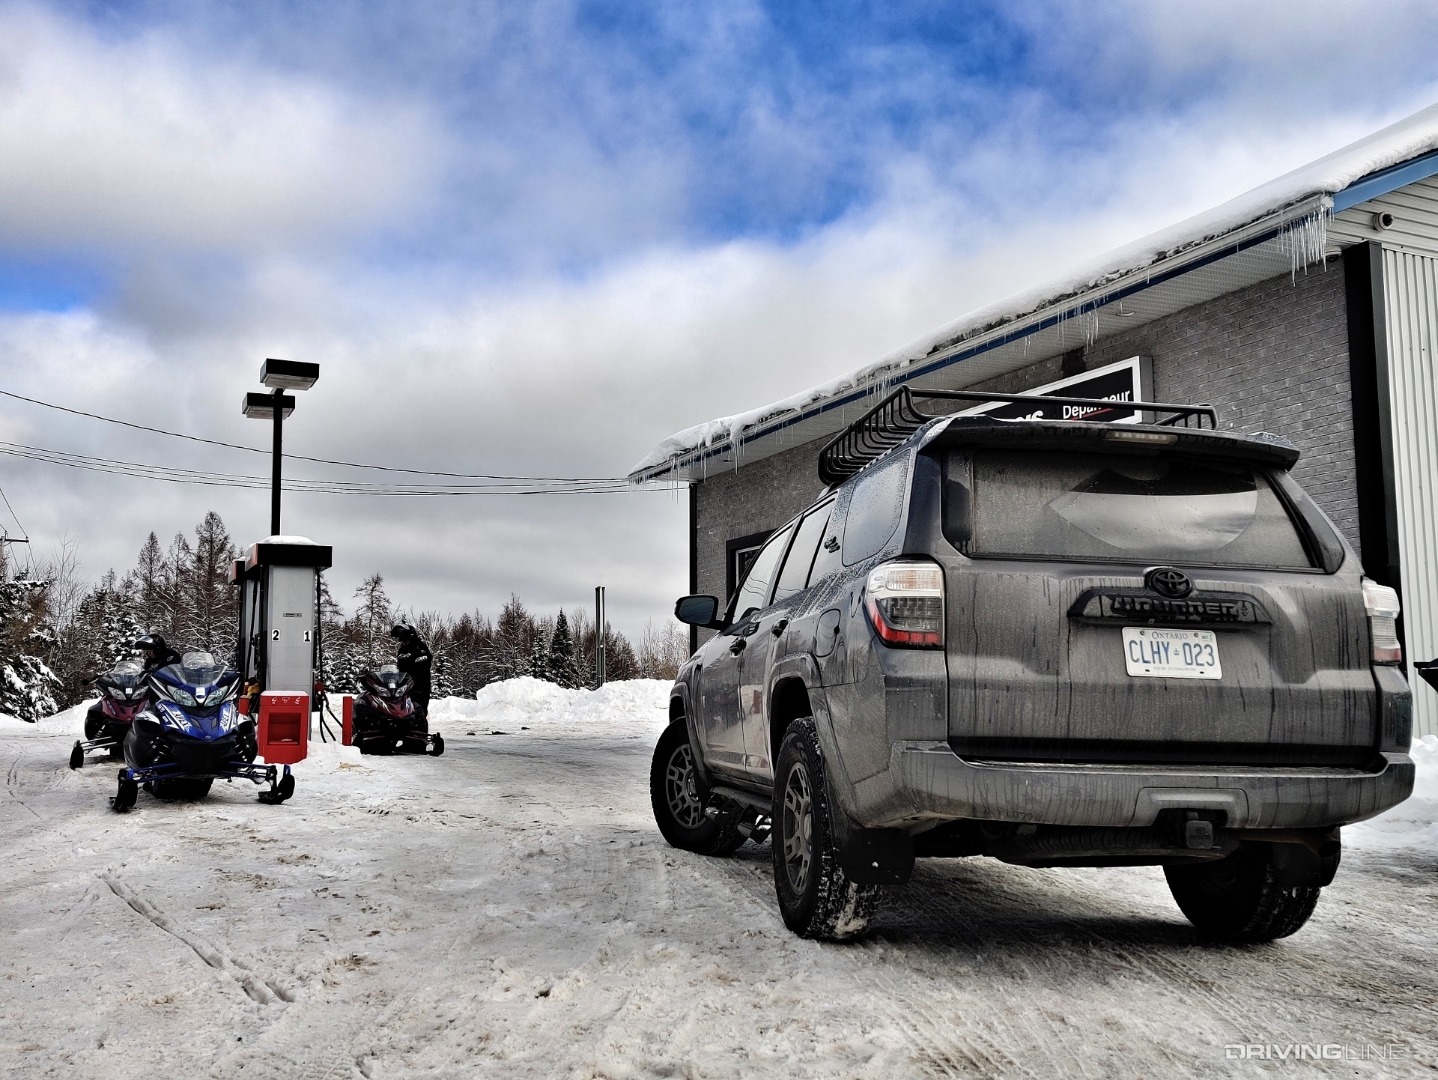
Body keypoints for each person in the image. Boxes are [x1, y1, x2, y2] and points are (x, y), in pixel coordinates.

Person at [391, 623, 432, 721]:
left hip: (420, 685)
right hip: (404, 686)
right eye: (400, 638)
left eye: (403, 638)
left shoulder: (420, 647)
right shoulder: (402, 649)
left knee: (419, 710)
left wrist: (414, 664)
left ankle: (420, 732)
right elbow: (400, 666)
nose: (401, 641)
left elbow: (425, 661)